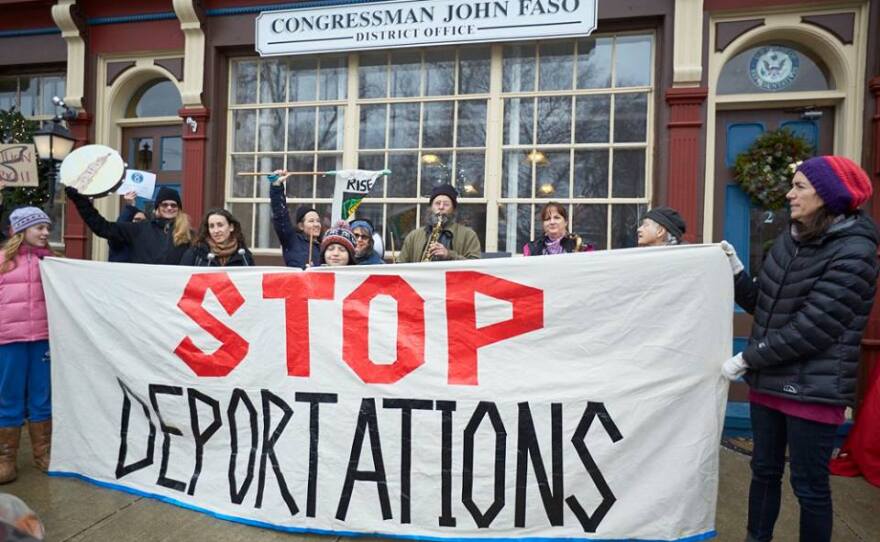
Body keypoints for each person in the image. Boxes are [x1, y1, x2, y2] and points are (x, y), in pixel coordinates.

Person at [719, 156, 878, 542]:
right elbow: (765, 305)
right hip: (768, 386)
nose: (790, 193)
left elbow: (814, 328)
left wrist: (747, 358)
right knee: (764, 473)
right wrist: (738, 273)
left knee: (809, 487)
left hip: (813, 391)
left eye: (801, 186)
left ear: (828, 196)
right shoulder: (788, 242)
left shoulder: (855, 253)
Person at [0, 207, 56, 483]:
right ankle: (5, 458)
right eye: (40, 228)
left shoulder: (53, 262)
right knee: (8, 396)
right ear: (21, 231)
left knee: (41, 395)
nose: (46, 233)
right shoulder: (2, 261)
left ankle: (43, 453)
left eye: (47, 228)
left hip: (42, 340)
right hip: (8, 341)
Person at [65, 186, 192, 265]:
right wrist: (81, 201)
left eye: (173, 205)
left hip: (173, 295)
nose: (169, 208)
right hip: (141, 293)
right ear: (157, 208)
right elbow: (103, 228)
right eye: (164, 204)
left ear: (179, 209)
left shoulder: (190, 235)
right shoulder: (140, 229)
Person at [398, 184, 481, 263]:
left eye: (446, 204)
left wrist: (450, 255)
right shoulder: (413, 236)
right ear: (431, 207)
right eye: (437, 203)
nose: (441, 207)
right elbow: (401, 265)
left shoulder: (468, 235)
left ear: (453, 210)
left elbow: (476, 266)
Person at [268, 170, 322, 268]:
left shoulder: (325, 246)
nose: (316, 224)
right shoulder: (292, 241)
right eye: (311, 221)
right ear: (301, 226)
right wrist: (276, 186)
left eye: (318, 221)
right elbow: (281, 216)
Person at [180, 208, 254, 267]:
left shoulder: (244, 255)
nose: (216, 231)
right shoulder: (195, 252)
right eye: (211, 226)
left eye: (220, 225)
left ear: (231, 227)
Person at [107, 191, 148, 263]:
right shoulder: (120, 240)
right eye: (136, 219)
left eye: (143, 220)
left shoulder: (147, 240)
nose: (139, 223)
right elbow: (118, 230)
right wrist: (130, 207)